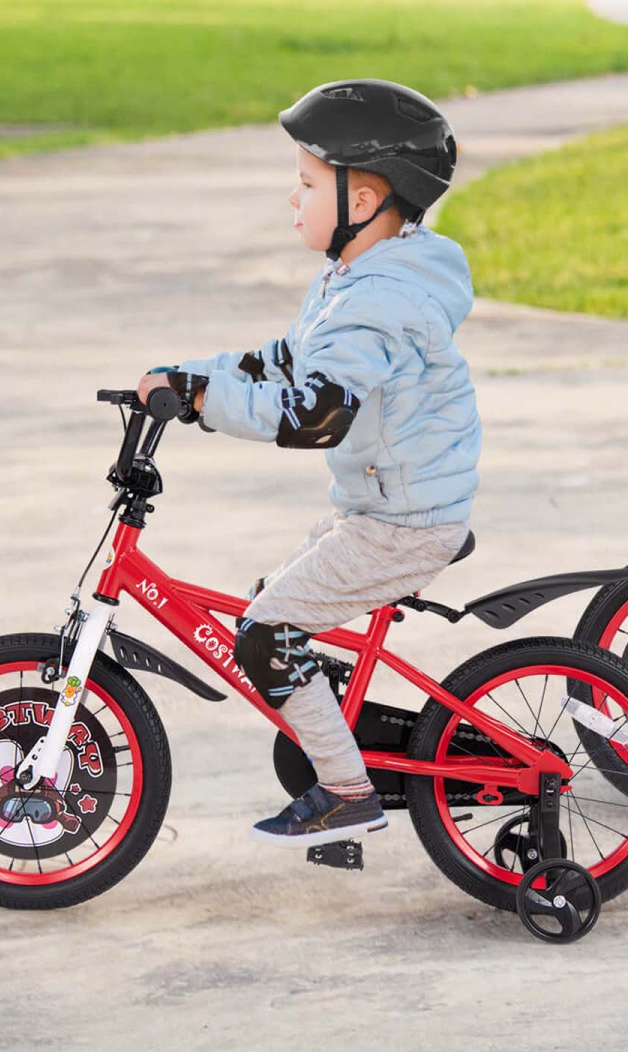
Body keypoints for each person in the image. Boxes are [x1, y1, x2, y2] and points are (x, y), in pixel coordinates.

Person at [138, 79, 482, 845]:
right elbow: (281, 363)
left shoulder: (376, 302)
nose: (289, 198)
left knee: (265, 633)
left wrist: (200, 403)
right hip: (387, 505)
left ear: (362, 198)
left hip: (404, 520)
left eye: (302, 183)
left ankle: (347, 791)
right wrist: (191, 377)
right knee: (273, 606)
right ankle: (335, 727)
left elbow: (314, 414)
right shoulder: (358, 279)